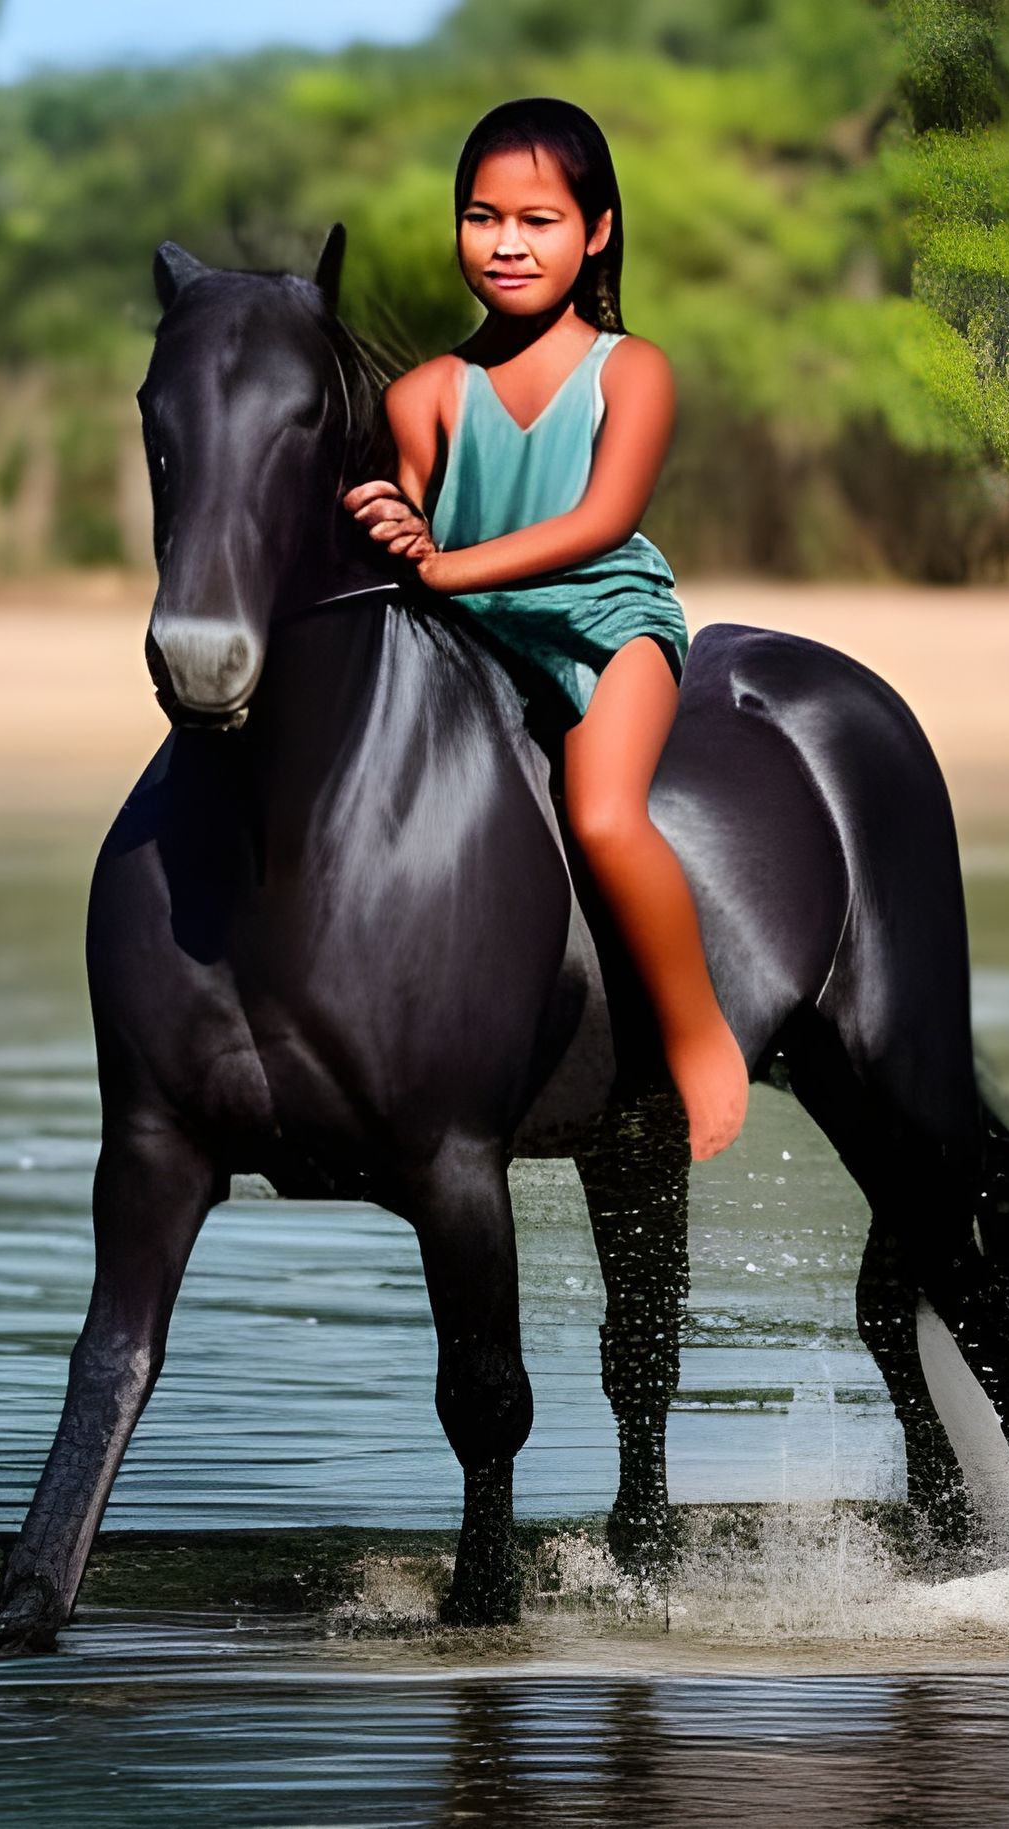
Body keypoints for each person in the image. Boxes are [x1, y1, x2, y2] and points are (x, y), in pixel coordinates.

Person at [342, 96, 748, 1162]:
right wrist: (390, 521)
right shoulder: (428, 390)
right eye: (483, 217)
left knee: (606, 816)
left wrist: (445, 566)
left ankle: (699, 1032)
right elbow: (413, 526)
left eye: (539, 219)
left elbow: (598, 522)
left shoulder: (632, 371)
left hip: (605, 625)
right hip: (475, 644)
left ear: (598, 230)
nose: (507, 244)